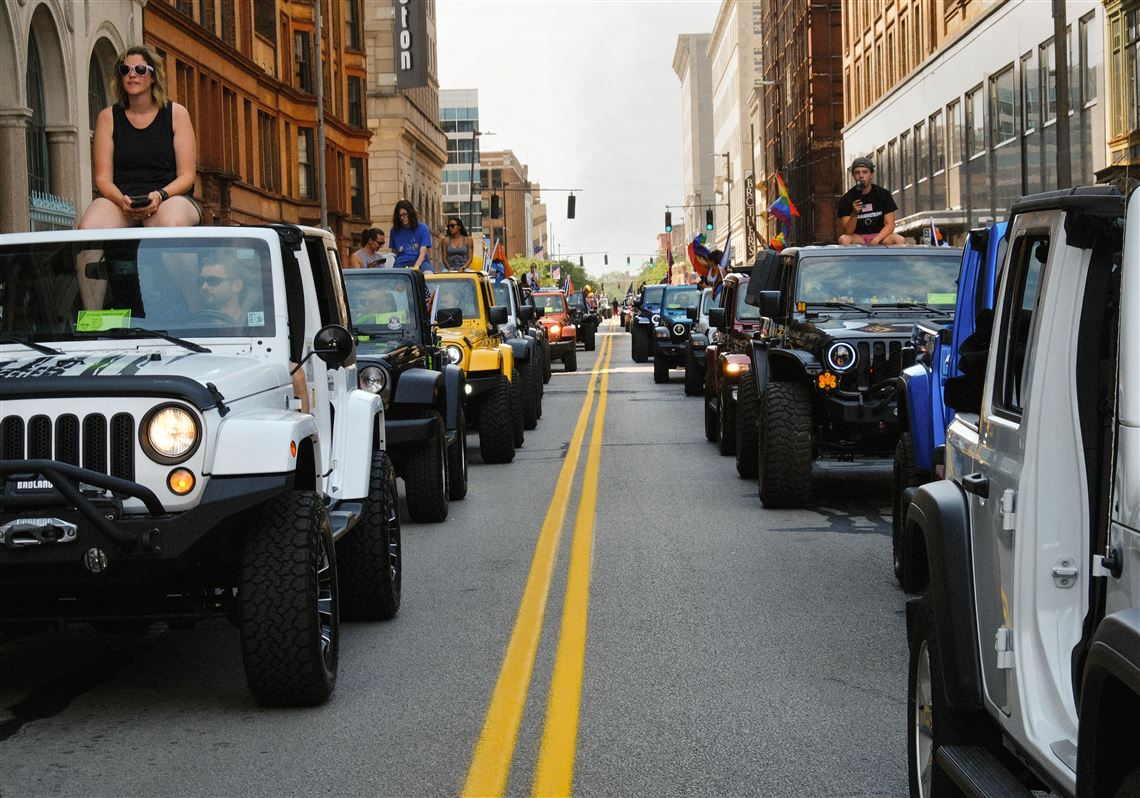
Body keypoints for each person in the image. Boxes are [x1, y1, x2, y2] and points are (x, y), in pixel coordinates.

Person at [78, 46, 200, 230]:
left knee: (170, 223)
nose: (132, 75)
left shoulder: (177, 114)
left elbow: (187, 176)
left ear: (153, 76)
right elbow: (103, 178)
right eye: (125, 70)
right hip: (122, 201)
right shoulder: (107, 118)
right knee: (88, 226)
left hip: (169, 197)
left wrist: (160, 195)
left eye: (140, 70)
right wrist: (121, 200)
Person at [837, 157, 906, 246]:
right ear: (853, 175)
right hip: (858, 237)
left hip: (879, 236)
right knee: (844, 239)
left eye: (865, 172)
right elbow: (848, 231)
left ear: (871, 174)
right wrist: (854, 213)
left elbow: (890, 225)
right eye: (857, 173)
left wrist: (876, 240)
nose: (861, 176)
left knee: (899, 239)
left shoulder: (883, 194)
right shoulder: (846, 199)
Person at [390, 199, 433, 273]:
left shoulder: (423, 228)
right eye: (400, 216)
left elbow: (422, 254)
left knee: (428, 274)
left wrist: (413, 270)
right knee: (397, 282)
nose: (402, 218)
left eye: (405, 214)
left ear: (410, 213)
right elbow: (394, 252)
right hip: (401, 263)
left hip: (420, 261)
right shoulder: (394, 231)